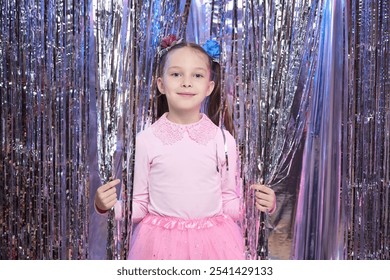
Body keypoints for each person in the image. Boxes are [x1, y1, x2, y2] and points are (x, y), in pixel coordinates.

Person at [94, 35, 276, 260]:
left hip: (214, 244)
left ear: (209, 87)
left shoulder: (223, 139)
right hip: (158, 246)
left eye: (197, 75)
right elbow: (140, 205)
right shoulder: (146, 140)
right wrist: (108, 207)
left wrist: (257, 204)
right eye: (176, 74)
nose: (186, 82)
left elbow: (228, 201)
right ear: (161, 83)